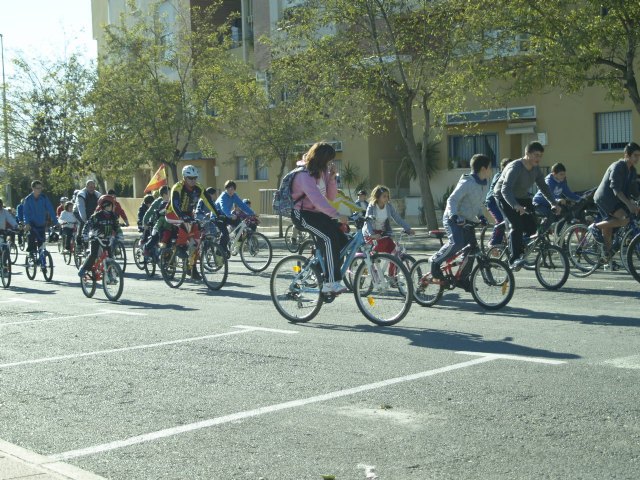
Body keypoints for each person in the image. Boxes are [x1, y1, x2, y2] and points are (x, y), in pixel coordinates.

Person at [290, 142, 349, 294]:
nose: (331, 162)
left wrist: (332, 178)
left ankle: (319, 270)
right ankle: (330, 282)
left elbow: (330, 197)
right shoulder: (304, 175)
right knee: (328, 239)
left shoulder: (322, 172)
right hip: (302, 214)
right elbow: (317, 200)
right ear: (321, 158)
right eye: (329, 159)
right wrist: (336, 215)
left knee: (342, 241)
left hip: (318, 214)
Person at [494, 141, 559, 270]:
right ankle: (514, 259)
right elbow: (505, 190)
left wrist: (554, 203)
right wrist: (515, 205)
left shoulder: (535, 169)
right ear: (527, 154)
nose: (538, 158)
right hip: (504, 197)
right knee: (517, 225)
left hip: (522, 197)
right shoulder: (515, 167)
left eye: (540, 155)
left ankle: (519, 245)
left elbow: (544, 187)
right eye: (536, 155)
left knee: (533, 228)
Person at [430, 154, 492, 282]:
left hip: (467, 220)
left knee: (471, 250)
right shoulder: (467, 182)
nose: (491, 170)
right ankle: (435, 262)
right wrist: (453, 216)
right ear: (483, 169)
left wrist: (481, 216)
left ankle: (462, 279)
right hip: (452, 218)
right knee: (457, 243)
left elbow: (477, 204)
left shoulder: (484, 184)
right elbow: (452, 200)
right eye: (490, 167)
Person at [166, 165, 217, 279]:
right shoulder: (178, 187)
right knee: (186, 224)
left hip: (188, 214)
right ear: (184, 177)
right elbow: (175, 204)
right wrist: (182, 216)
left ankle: (192, 268)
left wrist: (218, 214)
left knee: (196, 243)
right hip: (172, 213)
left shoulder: (199, 188)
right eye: (190, 178)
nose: (193, 180)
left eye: (195, 178)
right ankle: (179, 247)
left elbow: (209, 202)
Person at [591, 142, 640, 255]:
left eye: (639, 155)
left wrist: (637, 201)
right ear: (627, 155)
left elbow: (634, 191)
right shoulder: (618, 166)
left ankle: (607, 256)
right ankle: (595, 227)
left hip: (617, 199)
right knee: (624, 219)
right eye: (635, 155)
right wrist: (629, 204)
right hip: (605, 198)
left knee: (609, 227)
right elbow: (616, 189)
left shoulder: (632, 171)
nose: (638, 158)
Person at [78, 195, 124, 278]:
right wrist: (85, 235)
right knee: (93, 254)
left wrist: (120, 235)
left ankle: (110, 274)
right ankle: (83, 269)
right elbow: (87, 225)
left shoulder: (113, 216)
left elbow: (117, 227)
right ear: (105, 206)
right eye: (110, 205)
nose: (112, 207)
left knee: (110, 256)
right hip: (96, 238)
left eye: (112, 205)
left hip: (107, 239)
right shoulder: (96, 216)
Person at [362, 185, 415, 255]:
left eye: (387, 196)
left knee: (394, 251)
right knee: (383, 243)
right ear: (378, 197)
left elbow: (398, 218)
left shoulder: (388, 206)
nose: (387, 198)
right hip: (371, 233)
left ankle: (393, 265)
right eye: (384, 196)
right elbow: (368, 221)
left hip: (381, 233)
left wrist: (408, 229)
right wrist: (372, 234)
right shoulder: (372, 206)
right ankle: (371, 256)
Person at [23, 180, 59, 255]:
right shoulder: (28, 199)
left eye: (40, 188)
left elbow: (50, 209)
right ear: (33, 188)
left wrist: (56, 222)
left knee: (41, 244)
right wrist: (27, 223)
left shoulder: (44, 197)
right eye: (37, 188)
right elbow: (26, 213)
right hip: (32, 224)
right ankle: (31, 256)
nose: (39, 190)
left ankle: (43, 263)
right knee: (31, 238)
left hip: (42, 223)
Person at [485, 158, 513, 248]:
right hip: (492, 202)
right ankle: (494, 243)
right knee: (501, 220)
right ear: (503, 167)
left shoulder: (511, 177)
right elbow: (498, 190)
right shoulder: (499, 176)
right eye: (508, 166)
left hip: (502, 202)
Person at [142, 186, 173, 258]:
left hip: (170, 223)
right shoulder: (158, 202)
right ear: (164, 194)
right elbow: (149, 212)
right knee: (155, 238)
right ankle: (146, 248)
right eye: (169, 193)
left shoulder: (172, 201)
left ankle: (169, 258)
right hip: (157, 223)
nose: (171, 194)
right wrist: (145, 223)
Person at [74, 180, 102, 245]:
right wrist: (86, 220)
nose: (92, 188)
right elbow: (81, 209)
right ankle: (79, 241)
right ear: (86, 187)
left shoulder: (98, 195)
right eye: (90, 187)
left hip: (90, 212)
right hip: (78, 212)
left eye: (93, 187)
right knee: (83, 223)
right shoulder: (81, 194)